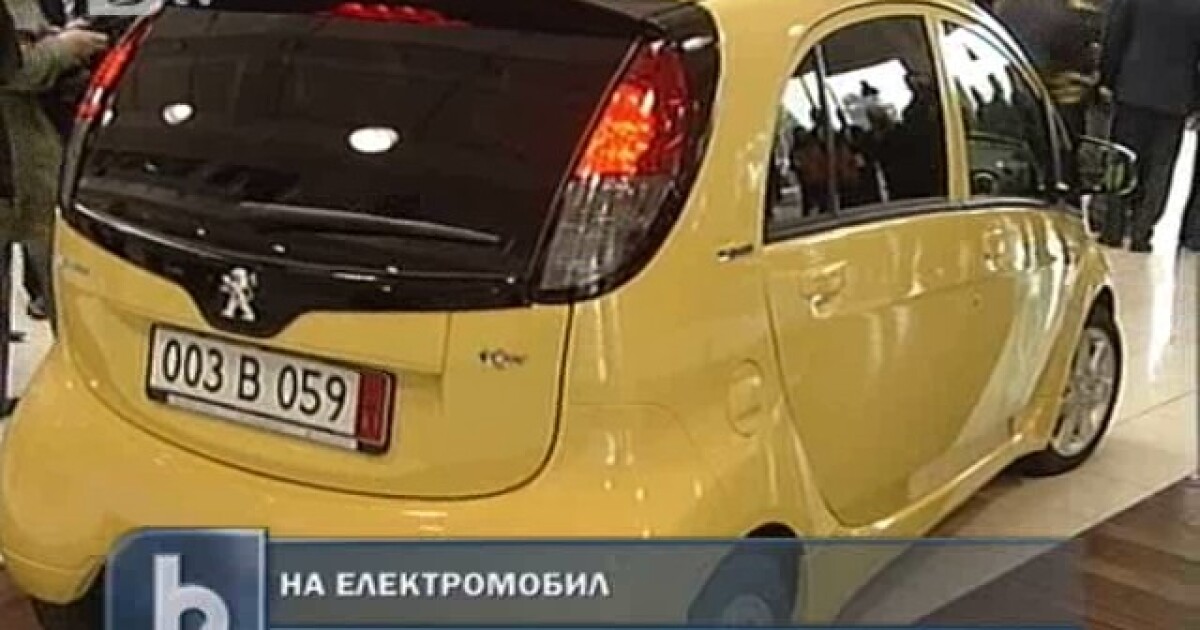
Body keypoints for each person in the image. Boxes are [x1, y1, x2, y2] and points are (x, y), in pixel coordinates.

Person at [0, 0, 107, 330]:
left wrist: (56, 38)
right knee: (68, 298)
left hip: (27, 166)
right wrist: (65, 48)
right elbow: (16, 68)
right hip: (23, 170)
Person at [1098, 0, 1200, 252]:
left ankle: (1112, 227)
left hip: (1131, 90)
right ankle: (1142, 233)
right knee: (1160, 168)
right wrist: (1195, 100)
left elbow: (1115, 36)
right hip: (1175, 98)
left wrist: (1108, 79)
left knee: (1121, 160)